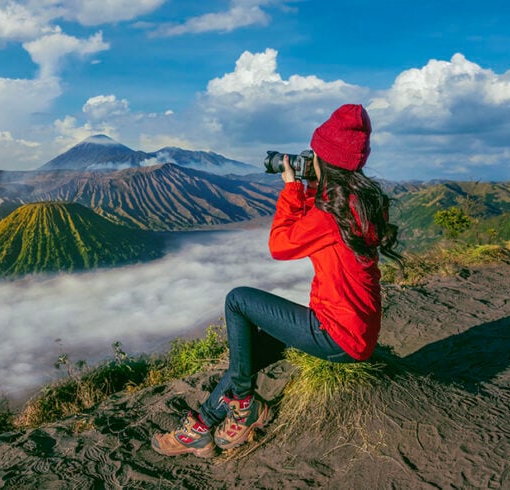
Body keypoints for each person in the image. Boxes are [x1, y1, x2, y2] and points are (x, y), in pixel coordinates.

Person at [151, 103, 402, 457]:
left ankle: (243, 403)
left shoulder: (332, 215)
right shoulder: (362, 203)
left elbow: (280, 246)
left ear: (325, 159)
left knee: (237, 299)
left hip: (336, 335)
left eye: (314, 155)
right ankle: (203, 427)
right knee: (250, 353)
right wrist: (316, 186)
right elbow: (320, 225)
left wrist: (291, 189)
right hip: (356, 331)